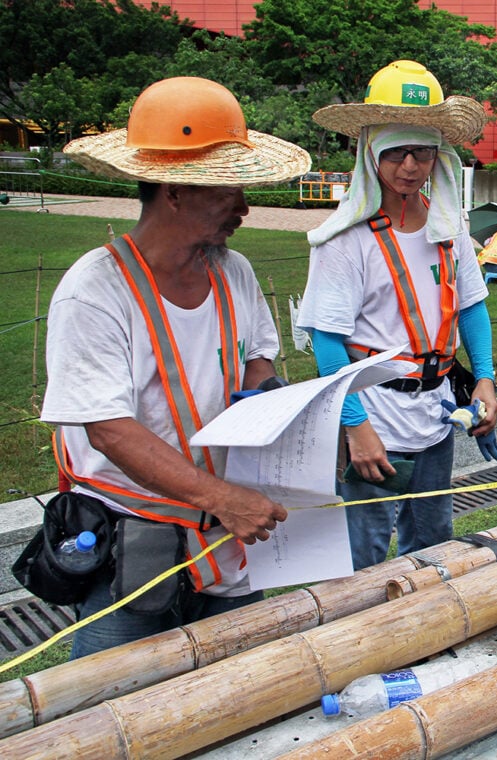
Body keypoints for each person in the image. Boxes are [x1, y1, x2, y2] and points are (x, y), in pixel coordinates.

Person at [42, 76, 311, 657]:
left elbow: (256, 361)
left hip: (226, 537)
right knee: (110, 704)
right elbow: (109, 429)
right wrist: (221, 497)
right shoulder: (93, 291)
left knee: (239, 693)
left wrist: (283, 407)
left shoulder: (232, 271)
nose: (244, 207)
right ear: (173, 190)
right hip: (135, 543)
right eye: (227, 191)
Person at [297, 60, 497, 569]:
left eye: (423, 152)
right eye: (396, 153)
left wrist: (486, 381)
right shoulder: (345, 241)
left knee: (433, 546)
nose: (410, 166)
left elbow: (472, 307)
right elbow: (327, 342)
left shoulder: (448, 228)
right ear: (371, 154)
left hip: (435, 417)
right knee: (361, 556)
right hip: (374, 419)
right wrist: (354, 425)